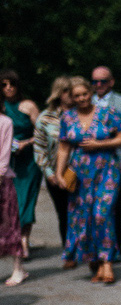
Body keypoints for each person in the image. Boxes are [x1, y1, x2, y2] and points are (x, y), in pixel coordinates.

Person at [55, 77, 121, 283]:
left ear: (91, 93)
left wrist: (99, 143)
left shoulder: (108, 113)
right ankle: (94, 263)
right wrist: (60, 174)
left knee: (101, 214)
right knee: (84, 218)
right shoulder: (67, 118)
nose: (81, 99)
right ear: (72, 97)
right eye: (76, 96)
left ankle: (107, 263)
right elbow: (63, 147)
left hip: (107, 169)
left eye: (84, 94)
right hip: (80, 173)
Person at [90, 66, 121, 257]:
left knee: (115, 205)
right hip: (91, 163)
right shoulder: (87, 101)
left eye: (103, 81)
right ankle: (96, 246)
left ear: (111, 82)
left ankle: (116, 246)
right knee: (93, 204)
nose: (99, 85)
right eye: (95, 81)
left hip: (116, 161)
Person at [1, 71, 42, 257]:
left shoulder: (28, 105)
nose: (8, 88)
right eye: (4, 85)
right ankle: (15, 239)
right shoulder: (1, 107)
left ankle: (24, 239)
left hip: (28, 160)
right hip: (6, 161)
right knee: (11, 202)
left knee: (26, 200)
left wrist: (27, 142)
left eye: (12, 84)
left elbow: (44, 132)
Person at [33, 77, 74, 249]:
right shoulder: (45, 117)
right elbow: (39, 148)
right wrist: (48, 173)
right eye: (66, 91)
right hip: (56, 173)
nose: (71, 95)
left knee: (83, 212)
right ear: (58, 93)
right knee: (64, 213)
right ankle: (69, 248)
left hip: (81, 170)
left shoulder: (83, 113)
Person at [0, 112, 25, 285]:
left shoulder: (5, 122)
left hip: (2, 180)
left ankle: (18, 268)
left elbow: (4, 155)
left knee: (9, 223)